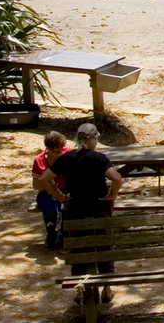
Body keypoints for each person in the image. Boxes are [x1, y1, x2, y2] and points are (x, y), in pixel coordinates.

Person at [40, 122, 121, 303]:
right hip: (99, 210)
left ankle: (80, 289)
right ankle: (107, 289)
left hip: (76, 210)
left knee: (78, 250)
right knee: (105, 248)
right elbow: (116, 178)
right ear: (92, 139)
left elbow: (45, 179)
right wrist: (112, 196)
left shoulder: (66, 158)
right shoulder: (99, 158)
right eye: (96, 138)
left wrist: (60, 196)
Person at [31, 131, 72, 249]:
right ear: (48, 149)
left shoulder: (67, 154)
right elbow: (36, 186)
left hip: (65, 188)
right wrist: (49, 185)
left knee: (68, 206)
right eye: (56, 152)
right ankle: (51, 233)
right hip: (46, 192)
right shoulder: (39, 161)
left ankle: (65, 234)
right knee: (49, 208)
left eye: (61, 150)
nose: (60, 154)